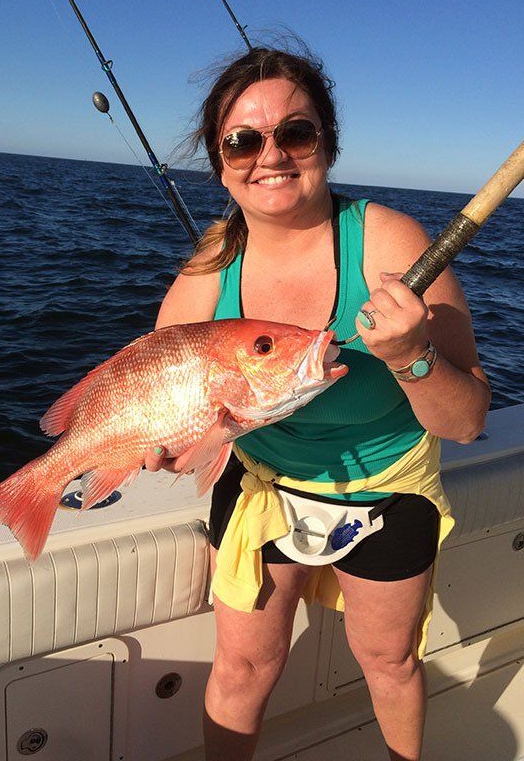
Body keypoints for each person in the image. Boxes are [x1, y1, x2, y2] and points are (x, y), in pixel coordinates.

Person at [144, 45, 490, 761]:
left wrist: (410, 357)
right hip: (263, 485)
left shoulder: (389, 241)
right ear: (220, 163)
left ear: (326, 143)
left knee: (389, 663)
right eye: (242, 141)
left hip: (387, 487)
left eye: (294, 133)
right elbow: (160, 383)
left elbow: (466, 421)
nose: (269, 155)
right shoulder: (213, 261)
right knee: (242, 668)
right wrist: (169, 441)